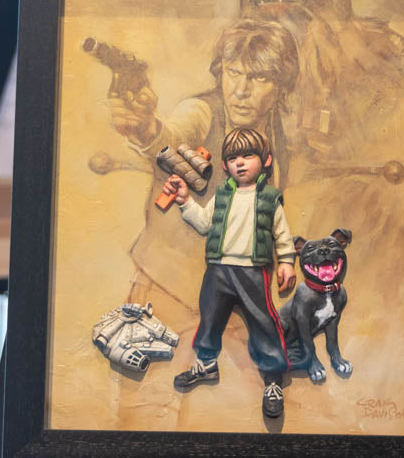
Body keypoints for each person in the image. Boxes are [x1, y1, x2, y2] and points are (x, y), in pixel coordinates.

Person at [110, 17, 300, 316]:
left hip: (233, 293)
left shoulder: (279, 136)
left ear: (281, 87)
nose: (241, 90)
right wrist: (145, 129)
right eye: (233, 72)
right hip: (169, 289)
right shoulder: (201, 111)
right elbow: (172, 136)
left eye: (259, 77)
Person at [162, 128, 297, 419]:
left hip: (253, 271)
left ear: (266, 160)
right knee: (209, 316)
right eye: (233, 158)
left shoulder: (270, 198)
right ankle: (206, 363)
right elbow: (204, 223)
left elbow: (282, 234)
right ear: (225, 165)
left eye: (248, 156)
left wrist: (286, 261)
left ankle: (273, 380)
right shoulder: (222, 195)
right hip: (218, 268)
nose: (240, 162)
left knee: (263, 321)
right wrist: (185, 200)